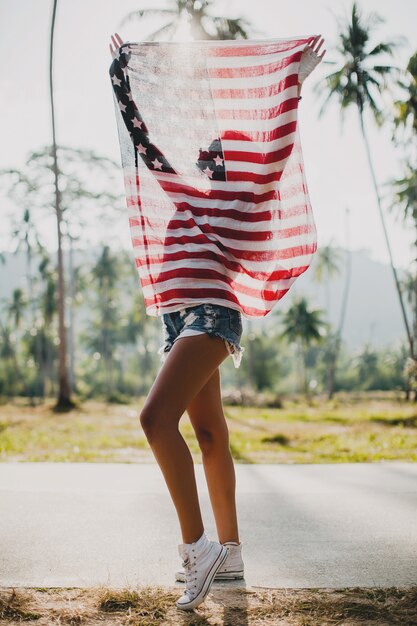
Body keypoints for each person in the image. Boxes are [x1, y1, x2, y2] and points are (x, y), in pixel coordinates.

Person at [109, 31, 325, 611]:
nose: (207, 153)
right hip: (180, 321)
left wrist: (292, 85)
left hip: (211, 315)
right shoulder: (188, 197)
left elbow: (276, 150)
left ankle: (196, 548)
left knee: (156, 419)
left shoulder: (247, 202)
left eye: (218, 150)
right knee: (209, 434)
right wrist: (123, 80)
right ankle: (229, 558)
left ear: (234, 161)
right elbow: (148, 148)